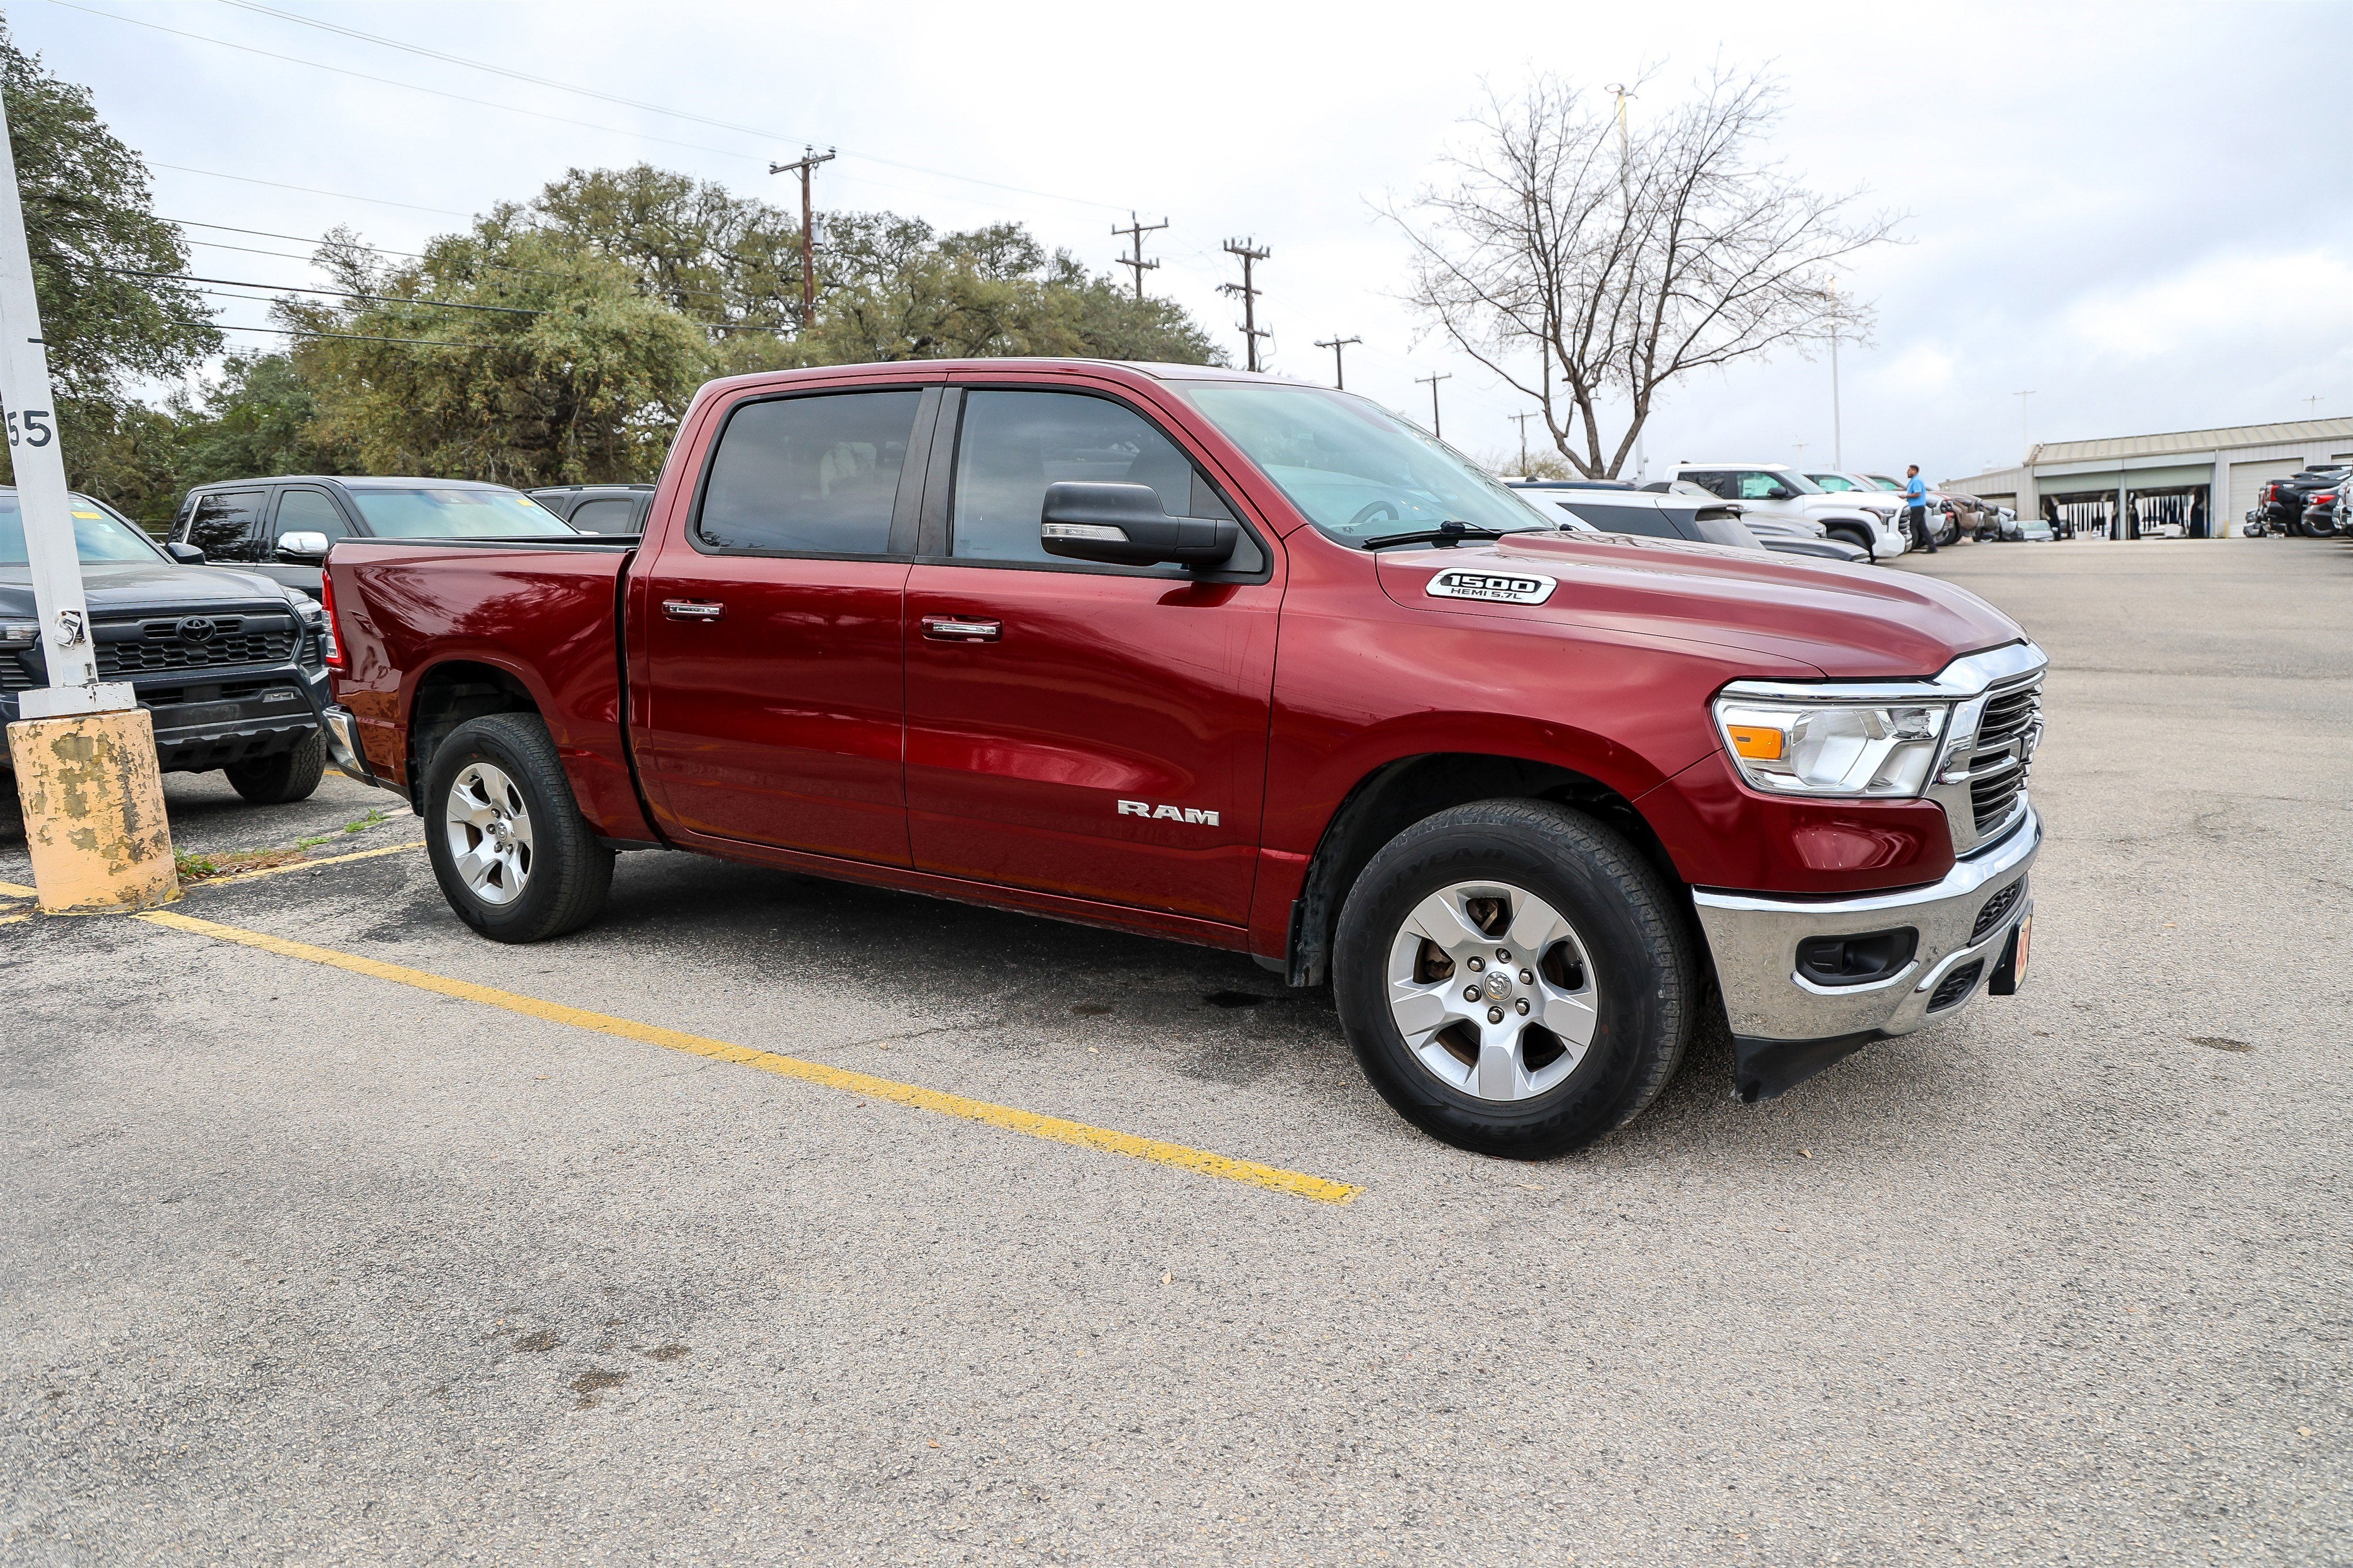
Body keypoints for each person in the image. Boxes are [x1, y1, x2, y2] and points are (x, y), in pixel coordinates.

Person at [1903, 465, 1935, 553]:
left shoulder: (1917, 480)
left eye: (1909, 470)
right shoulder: (1914, 480)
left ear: (1914, 471)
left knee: (1912, 527)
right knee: (1923, 528)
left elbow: (1918, 494)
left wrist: (1906, 496)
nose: (1907, 472)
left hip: (1917, 507)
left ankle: (1910, 546)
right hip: (1918, 507)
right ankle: (1932, 547)